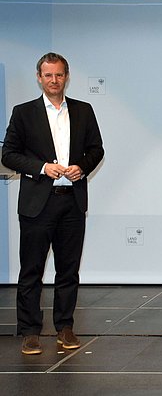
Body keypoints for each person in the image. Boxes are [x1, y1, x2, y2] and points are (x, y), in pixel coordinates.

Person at [2, 53, 104, 355]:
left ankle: (65, 327)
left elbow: (96, 149)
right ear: (39, 77)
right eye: (48, 75)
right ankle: (30, 331)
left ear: (67, 76)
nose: (54, 80)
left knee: (68, 270)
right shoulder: (24, 113)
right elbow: (8, 154)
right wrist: (42, 167)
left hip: (72, 202)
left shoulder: (83, 111)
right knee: (31, 270)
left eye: (59, 75)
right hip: (37, 204)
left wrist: (81, 167)